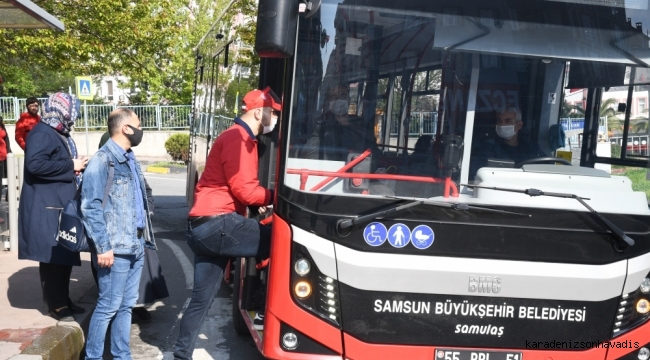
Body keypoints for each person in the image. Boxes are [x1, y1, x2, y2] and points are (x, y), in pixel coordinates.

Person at [173, 87, 279, 360]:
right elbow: (246, 191)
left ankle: (180, 355)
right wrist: (279, 197)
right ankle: (280, 318)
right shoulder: (239, 138)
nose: (275, 119)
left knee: (201, 300)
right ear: (258, 112)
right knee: (282, 244)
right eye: (273, 113)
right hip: (218, 224)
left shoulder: (235, 136)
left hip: (201, 226)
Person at [81, 108, 156, 359]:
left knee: (125, 307)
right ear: (126, 128)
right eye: (138, 123)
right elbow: (90, 206)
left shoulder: (129, 157)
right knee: (108, 306)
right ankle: (93, 356)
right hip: (114, 248)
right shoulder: (103, 160)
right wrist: (102, 246)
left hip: (135, 244)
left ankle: (122, 355)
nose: (141, 128)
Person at [18, 92, 89, 321]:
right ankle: (56, 305)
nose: (74, 114)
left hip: (57, 205)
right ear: (62, 109)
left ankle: (63, 300)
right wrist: (71, 165)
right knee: (52, 260)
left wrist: (75, 166)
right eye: (72, 109)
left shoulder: (56, 131)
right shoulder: (43, 132)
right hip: (47, 206)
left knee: (63, 257)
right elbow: (35, 164)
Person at [90, 131, 169, 323]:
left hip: (135, 232)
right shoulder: (98, 166)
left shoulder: (131, 163)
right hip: (110, 238)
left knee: (138, 279)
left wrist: (146, 212)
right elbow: (90, 205)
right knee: (109, 301)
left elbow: (145, 191)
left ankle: (137, 306)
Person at [301, 84, 378, 161]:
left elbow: (372, 151)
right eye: (334, 97)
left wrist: (350, 125)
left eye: (343, 96)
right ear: (329, 101)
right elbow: (313, 152)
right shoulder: (320, 124)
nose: (339, 100)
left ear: (349, 100)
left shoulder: (359, 123)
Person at [470, 107, 546, 177]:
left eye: (508, 121)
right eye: (499, 121)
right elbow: (476, 174)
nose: (502, 125)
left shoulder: (531, 148)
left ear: (519, 125)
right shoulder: (487, 148)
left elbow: (548, 167)